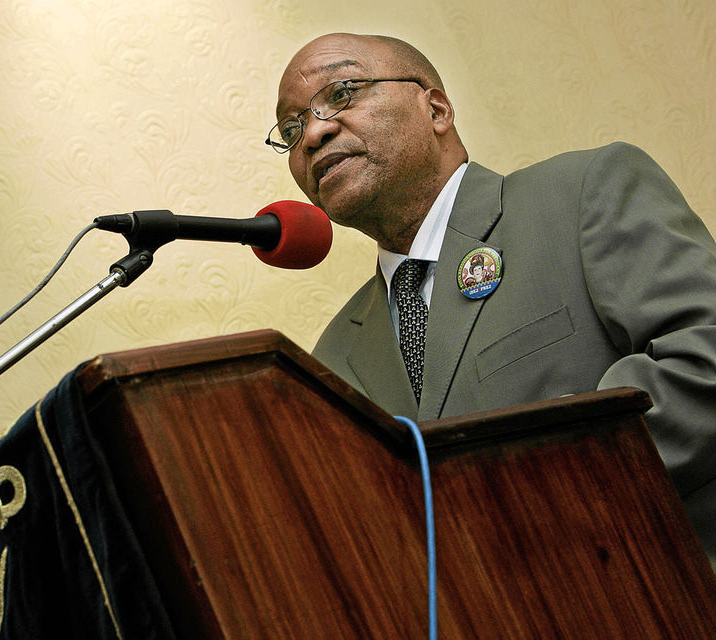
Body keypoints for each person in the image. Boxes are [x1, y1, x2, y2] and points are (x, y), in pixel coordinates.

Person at [269, 33, 716, 565]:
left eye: (342, 93)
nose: (313, 134)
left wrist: (523, 504)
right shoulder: (332, 357)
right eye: (291, 129)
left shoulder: (580, 195)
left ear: (436, 109)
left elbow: (704, 360)